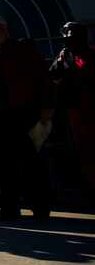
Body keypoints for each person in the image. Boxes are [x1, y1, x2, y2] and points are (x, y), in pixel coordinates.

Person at [0, 15, 54, 220]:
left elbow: (43, 79)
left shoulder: (22, 50)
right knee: (4, 164)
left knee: (30, 161)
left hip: (23, 112)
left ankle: (40, 206)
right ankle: (9, 207)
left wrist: (46, 108)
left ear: (4, 29)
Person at [49, 22, 95, 202]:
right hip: (74, 111)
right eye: (67, 39)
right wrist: (60, 63)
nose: (68, 42)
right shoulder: (65, 57)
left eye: (72, 38)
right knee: (79, 152)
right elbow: (53, 77)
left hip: (89, 108)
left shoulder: (91, 55)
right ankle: (86, 187)